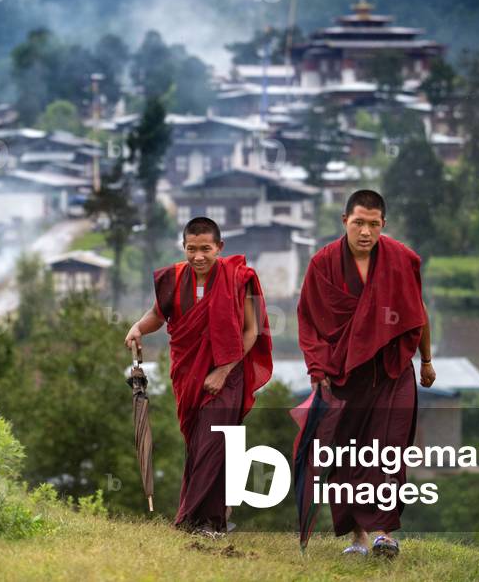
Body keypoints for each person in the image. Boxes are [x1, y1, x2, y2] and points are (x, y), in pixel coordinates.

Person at [295, 189, 435, 557]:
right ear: (345, 221)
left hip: (392, 372)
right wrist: (317, 366)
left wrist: (426, 360)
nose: (366, 232)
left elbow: (417, 314)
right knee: (347, 455)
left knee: (388, 452)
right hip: (344, 377)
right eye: (358, 222)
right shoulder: (323, 264)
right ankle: (358, 536)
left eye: (374, 224)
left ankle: (384, 534)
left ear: (383, 225)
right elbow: (308, 319)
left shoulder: (402, 260)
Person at [125, 216, 272, 535]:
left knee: (213, 442)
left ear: (220, 247)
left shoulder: (238, 277)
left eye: (206, 248)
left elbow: (252, 331)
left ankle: (191, 520)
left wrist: (224, 370)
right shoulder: (173, 278)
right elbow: (157, 315)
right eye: (192, 249)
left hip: (227, 376)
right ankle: (214, 523)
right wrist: (138, 328)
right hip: (188, 376)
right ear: (184, 247)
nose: (199, 256)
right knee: (200, 446)